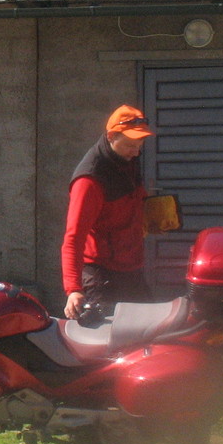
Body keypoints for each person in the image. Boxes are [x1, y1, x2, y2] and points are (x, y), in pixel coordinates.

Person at [61, 105, 155, 320]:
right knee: (107, 337)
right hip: (101, 274)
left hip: (130, 268)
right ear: (112, 136)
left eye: (140, 144)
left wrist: (149, 213)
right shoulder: (89, 180)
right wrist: (73, 289)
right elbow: (73, 237)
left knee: (149, 329)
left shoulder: (126, 160)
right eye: (130, 145)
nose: (136, 151)